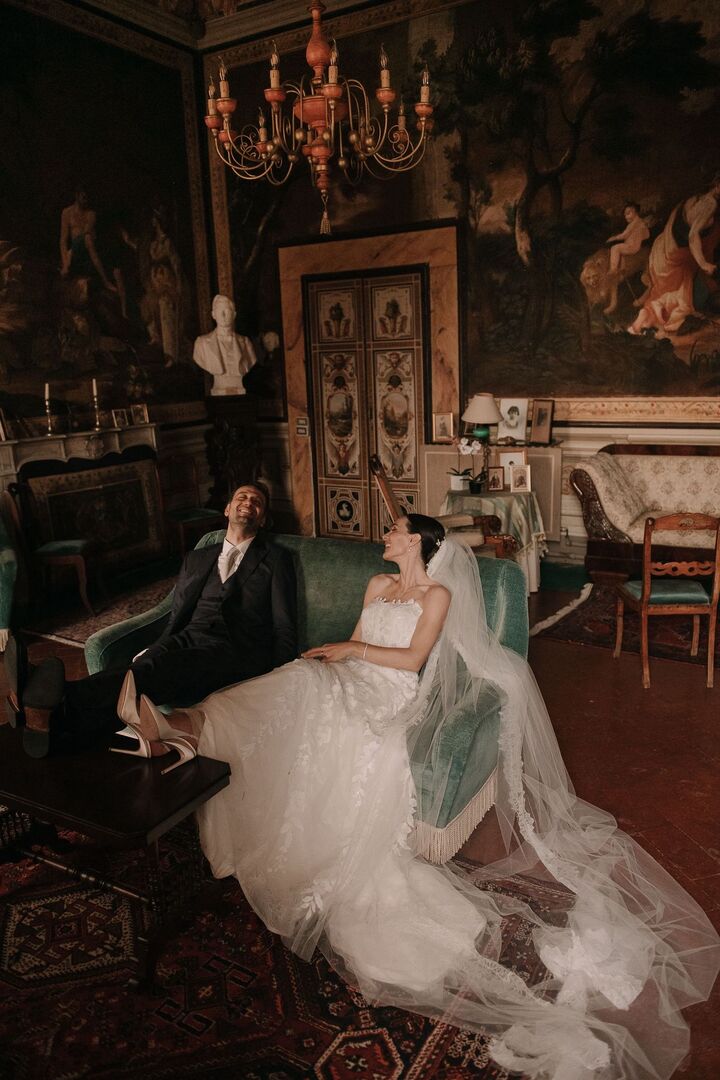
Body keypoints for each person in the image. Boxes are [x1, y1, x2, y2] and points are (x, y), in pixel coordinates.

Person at [128, 513, 719, 1080]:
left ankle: (179, 733)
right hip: (347, 674)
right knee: (294, 683)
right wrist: (335, 658)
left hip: (389, 690)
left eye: (395, 531)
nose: (385, 536)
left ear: (417, 542)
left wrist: (350, 654)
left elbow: (412, 660)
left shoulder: (437, 596)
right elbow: (354, 639)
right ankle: (182, 727)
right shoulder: (376, 583)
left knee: (317, 701)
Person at [6, 482, 297, 759]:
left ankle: (56, 698)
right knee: (141, 667)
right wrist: (157, 646)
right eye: (242, 497)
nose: (248, 503)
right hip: (187, 636)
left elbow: (284, 625)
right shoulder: (198, 557)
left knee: (161, 667)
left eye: (257, 502)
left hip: (234, 649)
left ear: (263, 519)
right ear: (227, 508)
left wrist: (277, 677)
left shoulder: (276, 559)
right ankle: (57, 724)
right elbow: (176, 612)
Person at [629, 175, 720, 337]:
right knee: (680, 302)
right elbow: (693, 235)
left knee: (665, 296)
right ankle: (648, 321)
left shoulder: (695, 199)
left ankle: (644, 321)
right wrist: (703, 263)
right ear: (717, 185)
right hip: (678, 261)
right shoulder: (710, 204)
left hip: (663, 252)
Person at [193, 294, 257, 395]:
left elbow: (251, 360)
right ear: (213, 314)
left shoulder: (245, 342)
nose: (223, 314)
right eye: (219, 310)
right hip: (218, 388)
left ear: (234, 315)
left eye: (227, 310)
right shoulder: (202, 343)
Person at [607, 202, 650, 274]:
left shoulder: (633, 224)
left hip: (631, 246)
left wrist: (613, 238)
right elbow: (647, 235)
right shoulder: (641, 222)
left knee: (615, 248)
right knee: (622, 252)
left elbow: (624, 235)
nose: (626, 217)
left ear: (635, 212)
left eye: (628, 213)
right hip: (636, 246)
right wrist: (639, 237)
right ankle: (623, 268)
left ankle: (613, 269)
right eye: (625, 215)